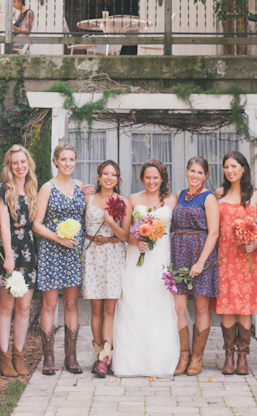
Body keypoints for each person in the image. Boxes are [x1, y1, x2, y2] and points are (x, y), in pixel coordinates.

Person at [112, 159, 179, 377]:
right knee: (135, 305)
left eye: (156, 178)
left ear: (162, 179)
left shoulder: (172, 200)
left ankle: (160, 362)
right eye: (148, 177)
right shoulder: (133, 199)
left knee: (159, 306)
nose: (151, 181)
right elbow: (125, 233)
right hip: (137, 259)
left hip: (161, 260)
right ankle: (129, 363)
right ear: (142, 178)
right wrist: (135, 241)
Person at [209, 151, 257, 376]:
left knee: (245, 307)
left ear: (244, 168)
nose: (230, 170)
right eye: (226, 167)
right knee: (227, 306)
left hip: (246, 258)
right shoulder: (219, 194)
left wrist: (255, 243)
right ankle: (228, 355)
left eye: (234, 166)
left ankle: (243, 355)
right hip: (224, 257)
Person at [33, 143, 87, 375]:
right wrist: (57, 238)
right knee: (50, 304)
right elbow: (36, 224)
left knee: (72, 304)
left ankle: (71, 356)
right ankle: (48, 356)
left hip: (73, 252)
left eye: (71, 160)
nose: (67, 163)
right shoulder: (47, 187)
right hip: (52, 251)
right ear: (55, 161)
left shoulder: (80, 186)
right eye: (63, 159)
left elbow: (86, 215)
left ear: (76, 162)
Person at [82, 160, 131, 377]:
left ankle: (105, 358)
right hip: (92, 255)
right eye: (105, 174)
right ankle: (97, 353)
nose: (109, 177)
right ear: (98, 177)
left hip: (113, 255)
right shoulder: (88, 198)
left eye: (113, 175)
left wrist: (111, 223)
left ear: (118, 179)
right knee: (95, 309)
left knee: (110, 309)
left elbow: (126, 237)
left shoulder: (123, 202)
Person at [0, 145, 38, 377]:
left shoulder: (32, 189)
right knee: (6, 307)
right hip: (8, 249)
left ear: (28, 164)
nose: (20, 166)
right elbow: (4, 226)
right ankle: (4, 359)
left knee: (24, 307)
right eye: (15, 163)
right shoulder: (4, 189)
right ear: (10, 166)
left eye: (23, 162)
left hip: (28, 250)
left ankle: (19, 357)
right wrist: (9, 256)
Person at [171, 156, 220, 376]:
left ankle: (197, 357)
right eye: (192, 171)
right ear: (187, 172)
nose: (195, 175)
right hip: (179, 252)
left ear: (206, 175)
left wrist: (200, 262)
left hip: (202, 254)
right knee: (178, 307)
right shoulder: (180, 195)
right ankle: (183, 355)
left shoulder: (208, 198)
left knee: (200, 307)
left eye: (200, 172)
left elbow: (214, 232)